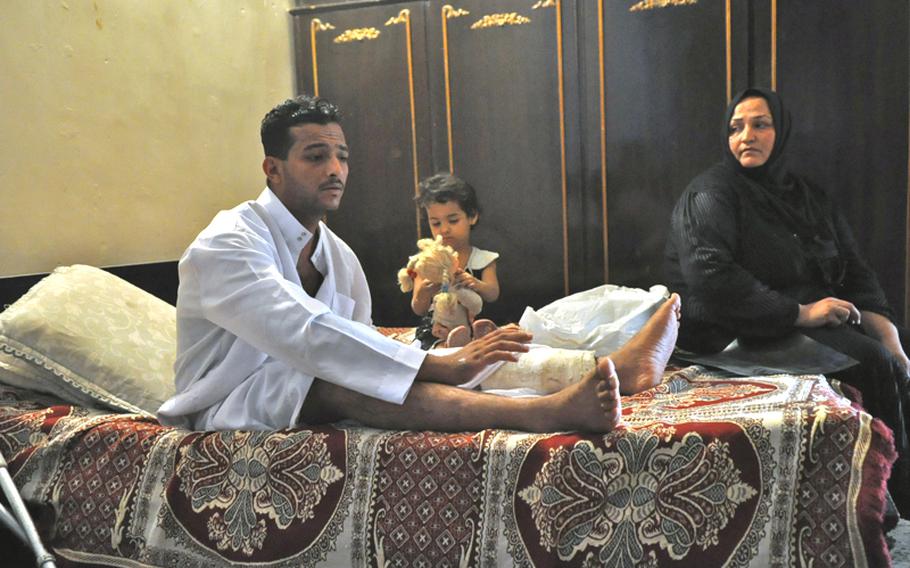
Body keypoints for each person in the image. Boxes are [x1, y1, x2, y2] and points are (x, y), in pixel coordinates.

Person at [156, 94, 680, 435]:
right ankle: (544, 412)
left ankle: (605, 364)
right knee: (352, 380)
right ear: (272, 169)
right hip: (228, 403)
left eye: (342, 155)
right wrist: (439, 366)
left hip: (302, 380)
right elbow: (305, 332)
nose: (337, 169)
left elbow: (354, 340)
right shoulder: (226, 243)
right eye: (316, 156)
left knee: (428, 354)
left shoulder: (336, 255)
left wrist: (443, 358)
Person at [664, 87, 910, 517]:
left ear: (782, 131)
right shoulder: (710, 193)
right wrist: (800, 313)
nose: (746, 136)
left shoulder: (805, 195)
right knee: (872, 362)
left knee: (896, 350)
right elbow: (712, 278)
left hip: (806, 319)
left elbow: (855, 271)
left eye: (761, 124)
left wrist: (890, 337)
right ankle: (890, 504)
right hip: (733, 328)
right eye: (736, 127)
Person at [408, 173, 499, 348]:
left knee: (486, 337)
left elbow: (493, 294)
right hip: (436, 326)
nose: (444, 229)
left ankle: (462, 343)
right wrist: (423, 293)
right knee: (426, 343)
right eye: (435, 223)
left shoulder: (483, 259)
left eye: (453, 220)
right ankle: (444, 347)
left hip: (472, 323)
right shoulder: (426, 262)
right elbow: (418, 308)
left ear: (472, 216)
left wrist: (475, 283)